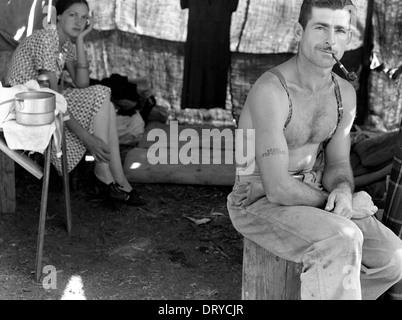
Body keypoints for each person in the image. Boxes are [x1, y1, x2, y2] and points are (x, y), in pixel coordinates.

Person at [227, 0, 402, 300]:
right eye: (320, 27)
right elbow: (278, 189)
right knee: (342, 240)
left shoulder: (343, 93)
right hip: (257, 199)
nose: (330, 40)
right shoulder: (272, 91)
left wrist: (344, 193)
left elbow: (336, 164)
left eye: (340, 30)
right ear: (299, 32)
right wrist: (337, 204)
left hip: (311, 188)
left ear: (349, 38)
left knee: (392, 256)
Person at [5, 0, 145, 206]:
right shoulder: (47, 38)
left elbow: (82, 83)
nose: (80, 21)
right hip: (23, 108)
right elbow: (52, 99)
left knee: (103, 98)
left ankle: (117, 179)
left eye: (84, 17)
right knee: (101, 94)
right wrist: (86, 138)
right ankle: (105, 172)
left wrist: (79, 40)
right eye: (73, 15)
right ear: (58, 16)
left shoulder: (65, 45)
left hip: (39, 104)